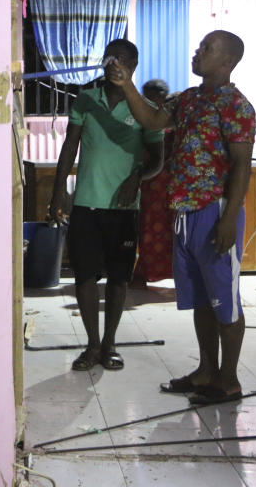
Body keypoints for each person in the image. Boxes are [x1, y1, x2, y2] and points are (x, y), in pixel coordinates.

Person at [108, 30, 255, 404]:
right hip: (184, 213)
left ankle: (229, 380)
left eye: (207, 48)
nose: (197, 51)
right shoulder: (189, 99)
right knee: (201, 299)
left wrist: (228, 219)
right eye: (200, 45)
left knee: (225, 300)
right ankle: (206, 370)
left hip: (215, 211)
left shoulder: (236, 106)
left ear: (226, 61)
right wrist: (127, 86)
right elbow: (153, 122)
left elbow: (241, 167)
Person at [48, 39, 164, 372]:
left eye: (123, 60)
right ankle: (92, 346)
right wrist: (59, 190)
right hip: (85, 202)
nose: (115, 64)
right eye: (110, 58)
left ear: (134, 65)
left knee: (118, 279)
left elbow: (157, 159)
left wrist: (138, 176)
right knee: (84, 277)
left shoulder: (143, 109)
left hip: (123, 208)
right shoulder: (86, 98)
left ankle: (110, 344)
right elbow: (71, 144)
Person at [130, 79, 176, 289]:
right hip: (151, 183)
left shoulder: (171, 116)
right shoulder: (143, 117)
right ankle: (144, 272)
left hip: (173, 185)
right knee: (148, 227)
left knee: (173, 231)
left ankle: (177, 274)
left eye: (152, 97)